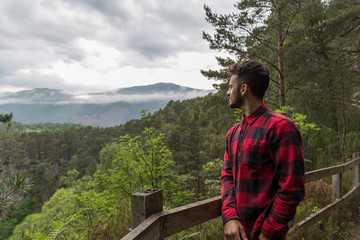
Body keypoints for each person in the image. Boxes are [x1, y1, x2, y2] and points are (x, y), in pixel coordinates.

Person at [221, 60, 305, 240]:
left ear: (243, 89)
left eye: (230, 87)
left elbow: (292, 188)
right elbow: (227, 177)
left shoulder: (281, 128)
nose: (227, 92)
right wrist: (229, 217)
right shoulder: (232, 134)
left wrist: (267, 233)